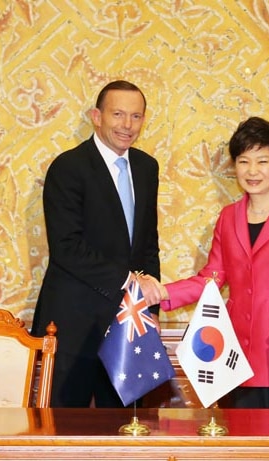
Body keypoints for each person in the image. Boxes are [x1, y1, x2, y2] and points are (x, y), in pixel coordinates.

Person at [155, 116, 269, 408]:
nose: (253, 171)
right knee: (237, 440)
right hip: (231, 349)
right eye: (244, 161)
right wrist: (164, 292)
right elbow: (212, 277)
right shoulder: (228, 217)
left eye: (262, 161)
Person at [31, 80, 162, 407]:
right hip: (74, 324)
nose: (127, 125)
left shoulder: (147, 168)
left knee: (126, 432)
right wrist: (129, 281)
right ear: (96, 116)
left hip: (128, 326)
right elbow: (67, 248)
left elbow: (148, 245)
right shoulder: (68, 167)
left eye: (135, 116)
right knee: (63, 433)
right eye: (117, 114)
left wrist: (151, 309)